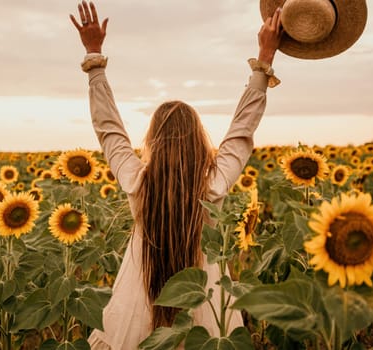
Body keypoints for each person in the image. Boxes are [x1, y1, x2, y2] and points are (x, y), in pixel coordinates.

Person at [70, 1, 283, 348]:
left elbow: (109, 129)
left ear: (152, 140)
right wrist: (265, 58)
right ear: (200, 141)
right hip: (206, 301)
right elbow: (242, 129)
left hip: (137, 303)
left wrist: (94, 59)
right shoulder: (214, 185)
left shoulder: (137, 181)